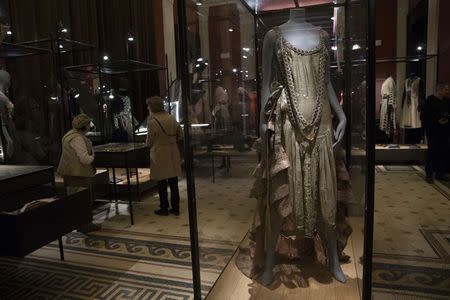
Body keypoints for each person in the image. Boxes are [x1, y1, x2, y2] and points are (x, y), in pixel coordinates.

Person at [57, 113, 100, 232]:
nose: (90, 126)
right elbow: (85, 159)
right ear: (84, 125)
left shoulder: (69, 135)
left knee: (76, 200)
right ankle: (85, 225)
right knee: (82, 200)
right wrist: (93, 155)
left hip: (71, 172)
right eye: (88, 124)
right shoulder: (78, 138)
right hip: (77, 173)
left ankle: (80, 224)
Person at [146, 96, 182, 216]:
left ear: (152, 107)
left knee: (161, 183)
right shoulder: (172, 118)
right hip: (173, 151)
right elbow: (180, 134)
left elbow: (149, 141)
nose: (148, 108)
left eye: (149, 106)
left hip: (159, 153)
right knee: (173, 182)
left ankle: (164, 208)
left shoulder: (152, 122)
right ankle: (176, 208)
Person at [423, 82, 450, 183]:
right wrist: (436, 120)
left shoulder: (447, 101)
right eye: (446, 89)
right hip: (433, 130)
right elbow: (425, 116)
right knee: (432, 151)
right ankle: (429, 174)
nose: (447, 91)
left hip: (444, 130)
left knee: (443, 151)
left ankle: (440, 173)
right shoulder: (430, 100)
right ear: (439, 89)